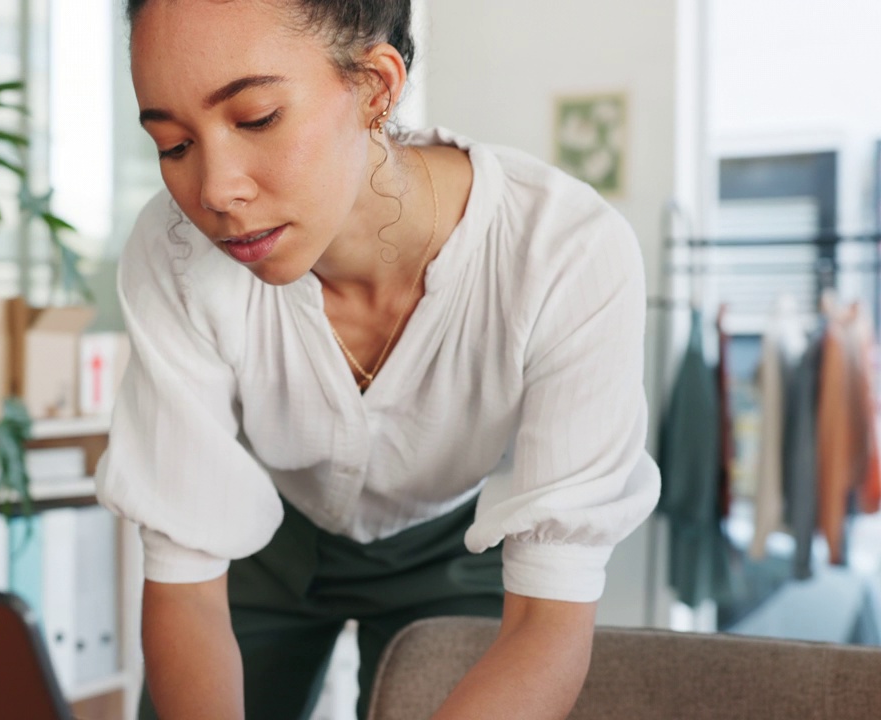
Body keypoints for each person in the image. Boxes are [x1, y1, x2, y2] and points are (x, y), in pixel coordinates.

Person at [95, 1, 661, 718]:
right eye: (174, 145)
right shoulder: (173, 254)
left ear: (376, 87)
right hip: (264, 538)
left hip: (456, 543)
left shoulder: (564, 252)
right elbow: (186, 586)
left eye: (257, 117)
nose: (214, 191)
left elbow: (546, 624)